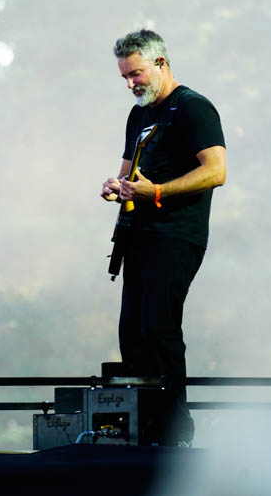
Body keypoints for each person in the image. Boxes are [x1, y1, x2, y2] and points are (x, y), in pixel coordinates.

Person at [100, 29, 226, 445]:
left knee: (158, 328)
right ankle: (145, 430)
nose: (130, 84)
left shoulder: (193, 107)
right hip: (137, 236)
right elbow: (127, 173)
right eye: (125, 77)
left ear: (161, 63)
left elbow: (216, 171)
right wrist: (116, 186)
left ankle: (175, 433)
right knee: (132, 334)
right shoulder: (138, 115)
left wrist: (156, 192)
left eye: (135, 74)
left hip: (176, 235)